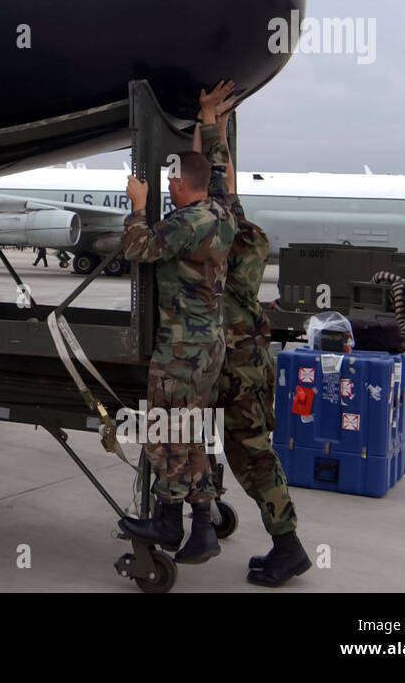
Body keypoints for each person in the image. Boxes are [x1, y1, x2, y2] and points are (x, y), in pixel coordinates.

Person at [194, 81, 310, 587]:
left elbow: (216, 187)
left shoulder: (223, 236)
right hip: (255, 360)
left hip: (235, 365)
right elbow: (225, 187)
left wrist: (205, 122)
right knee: (252, 449)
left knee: (250, 455)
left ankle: (287, 546)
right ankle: (274, 540)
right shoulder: (248, 237)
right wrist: (215, 126)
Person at [117, 89, 236, 565]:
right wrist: (210, 123)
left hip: (181, 351)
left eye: (171, 181)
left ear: (184, 187)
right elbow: (218, 169)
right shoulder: (223, 211)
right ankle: (202, 528)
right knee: (193, 431)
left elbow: (139, 248)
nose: (167, 186)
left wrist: (136, 205)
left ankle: (167, 520)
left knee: (166, 430)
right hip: (211, 348)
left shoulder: (186, 222)